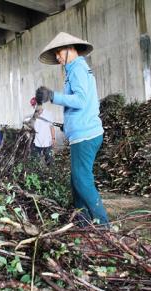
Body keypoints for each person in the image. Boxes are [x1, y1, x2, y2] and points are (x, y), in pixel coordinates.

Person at [35, 32, 109, 226]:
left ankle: (103, 224)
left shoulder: (77, 68)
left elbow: (81, 100)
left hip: (86, 135)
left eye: (59, 53)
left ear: (70, 49)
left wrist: (52, 96)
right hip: (81, 134)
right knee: (76, 181)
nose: (58, 58)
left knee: (82, 181)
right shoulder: (75, 70)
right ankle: (82, 221)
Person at [30, 97, 55, 166]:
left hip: (47, 142)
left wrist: (53, 138)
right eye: (33, 106)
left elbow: (51, 127)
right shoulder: (33, 116)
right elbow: (32, 129)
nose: (34, 107)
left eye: (35, 105)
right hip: (37, 142)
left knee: (50, 162)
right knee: (34, 162)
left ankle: (50, 174)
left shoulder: (48, 114)